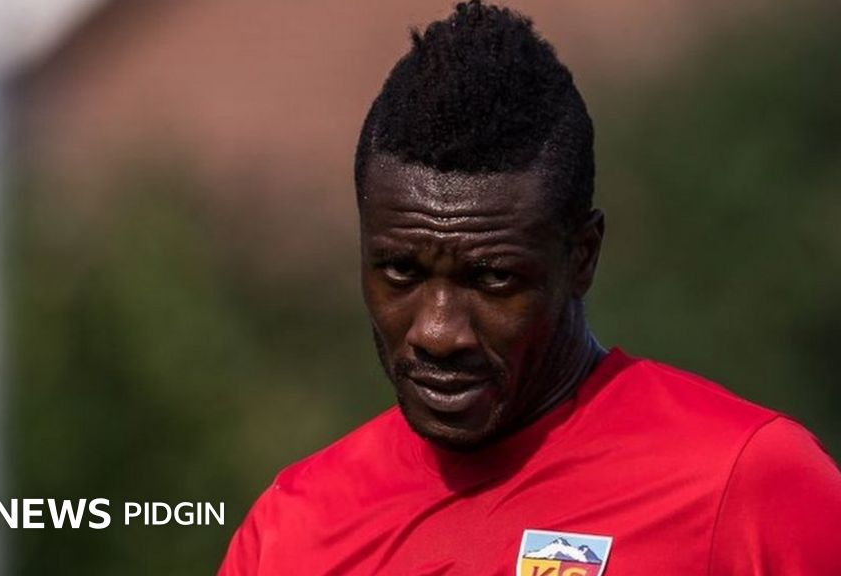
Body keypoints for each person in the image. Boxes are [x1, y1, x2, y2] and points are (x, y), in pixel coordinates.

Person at [218, 2, 841, 574]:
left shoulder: (747, 484)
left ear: (582, 257)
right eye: (401, 272)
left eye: (494, 278)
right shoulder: (292, 528)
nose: (438, 331)